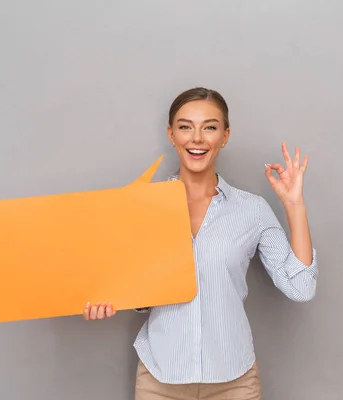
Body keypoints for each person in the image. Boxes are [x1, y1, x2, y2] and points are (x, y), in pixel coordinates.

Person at [82, 87, 319, 400]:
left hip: (235, 381)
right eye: (185, 127)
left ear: (225, 136)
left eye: (209, 127)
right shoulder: (142, 208)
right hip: (160, 379)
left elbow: (301, 288)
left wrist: (294, 204)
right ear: (171, 134)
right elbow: (139, 293)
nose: (196, 138)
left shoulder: (252, 210)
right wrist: (106, 299)